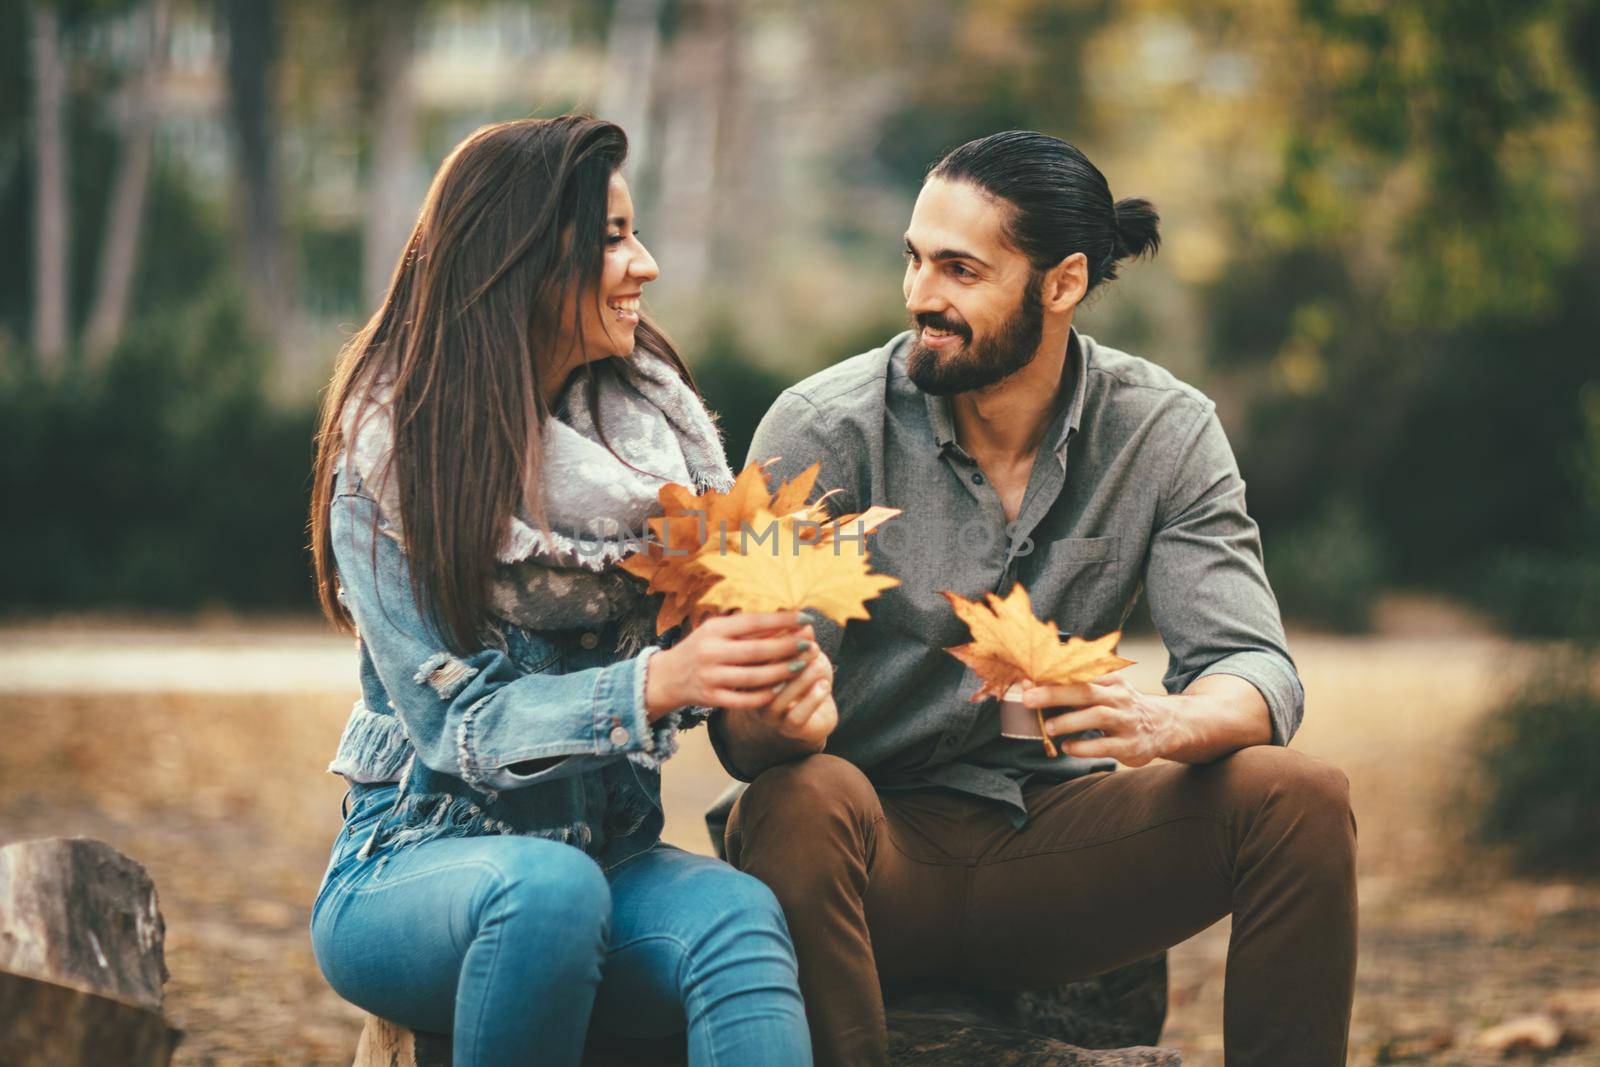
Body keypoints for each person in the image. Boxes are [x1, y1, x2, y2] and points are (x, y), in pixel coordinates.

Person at [714, 130, 1358, 1066]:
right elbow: (744, 745)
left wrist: (1167, 722)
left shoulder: (1163, 431)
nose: (920, 296)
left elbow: (1252, 666)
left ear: (1061, 284)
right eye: (914, 259)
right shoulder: (821, 427)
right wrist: (775, 712)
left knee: (1300, 796)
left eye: (960, 269)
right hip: (868, 855)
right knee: (799, 794)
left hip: (1060, 847)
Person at [306, 115, 826, 1067]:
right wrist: (657, 685)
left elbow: (731, 706)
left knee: (735, 914)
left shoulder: (661, 445)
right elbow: (454, 727)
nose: (648, 264)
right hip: (410, 866)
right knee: (544, 892)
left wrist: (785, 696)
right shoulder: (391, 462)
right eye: (615, 237)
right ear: (522, 262)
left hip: (610, 858)